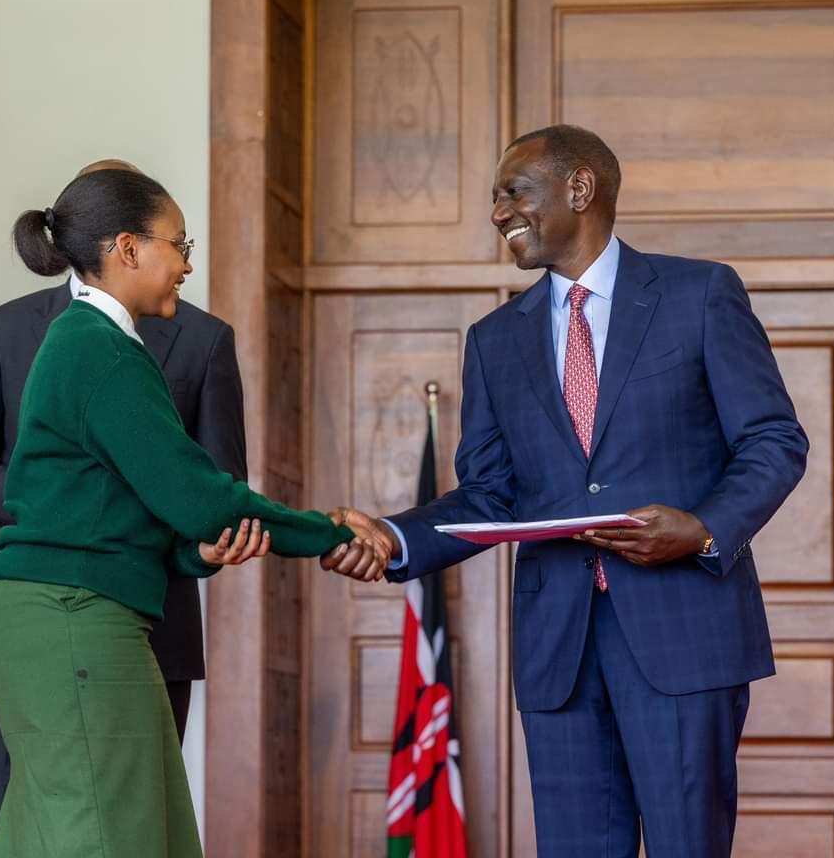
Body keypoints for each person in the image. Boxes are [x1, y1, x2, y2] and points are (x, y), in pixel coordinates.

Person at [327, 125, 808, 857]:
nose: (496, 213)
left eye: (511, 193)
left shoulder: (699, 294)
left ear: (579, 189)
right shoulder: (494, 340)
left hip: (685, 635)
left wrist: (704, 529)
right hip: (558, 652)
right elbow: (488, 495)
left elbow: (774, 441)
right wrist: (393, 537)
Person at [0, 167, 385, 858]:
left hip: (54, 615)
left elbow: (134, 510)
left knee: (72, 833)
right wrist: (331, 531)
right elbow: (200, 496)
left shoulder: (90, 342)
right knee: (113, 839)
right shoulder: (98, 350)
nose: (187, 264)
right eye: (178, 243)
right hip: (72, 619)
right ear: (128, 249)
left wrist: (199, 553)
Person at [0, 159, 255, 858]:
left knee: (142, 836)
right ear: (117, 240)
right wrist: (63, 499)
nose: (183, 259)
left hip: (153, 631)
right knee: (15, 831)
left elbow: (220, 486)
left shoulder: (203, 341)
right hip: (29, 638)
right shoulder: (5, 330)